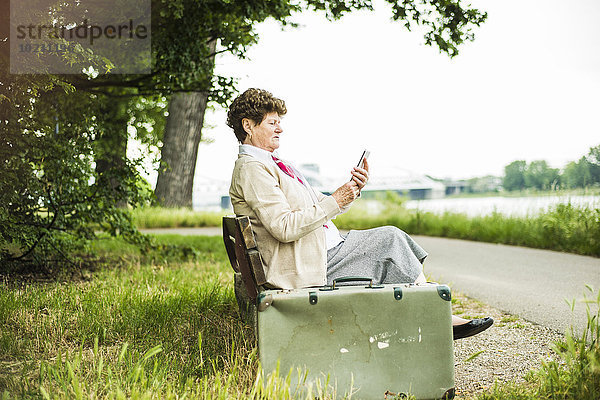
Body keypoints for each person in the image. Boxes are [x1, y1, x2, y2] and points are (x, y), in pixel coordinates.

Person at [227, 88, 492, 340]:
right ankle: (437, 317)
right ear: (248, 125)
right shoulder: (253, 169)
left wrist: (350, 191)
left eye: (279, 122)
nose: (281, 128)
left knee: (390, 244)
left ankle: (434, 315)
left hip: (319, 252)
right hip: (308, 266)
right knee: (390, 239)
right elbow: (284, 227)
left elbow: (321, 206)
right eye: (272, 122)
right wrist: (335, 199)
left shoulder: (272, 165)